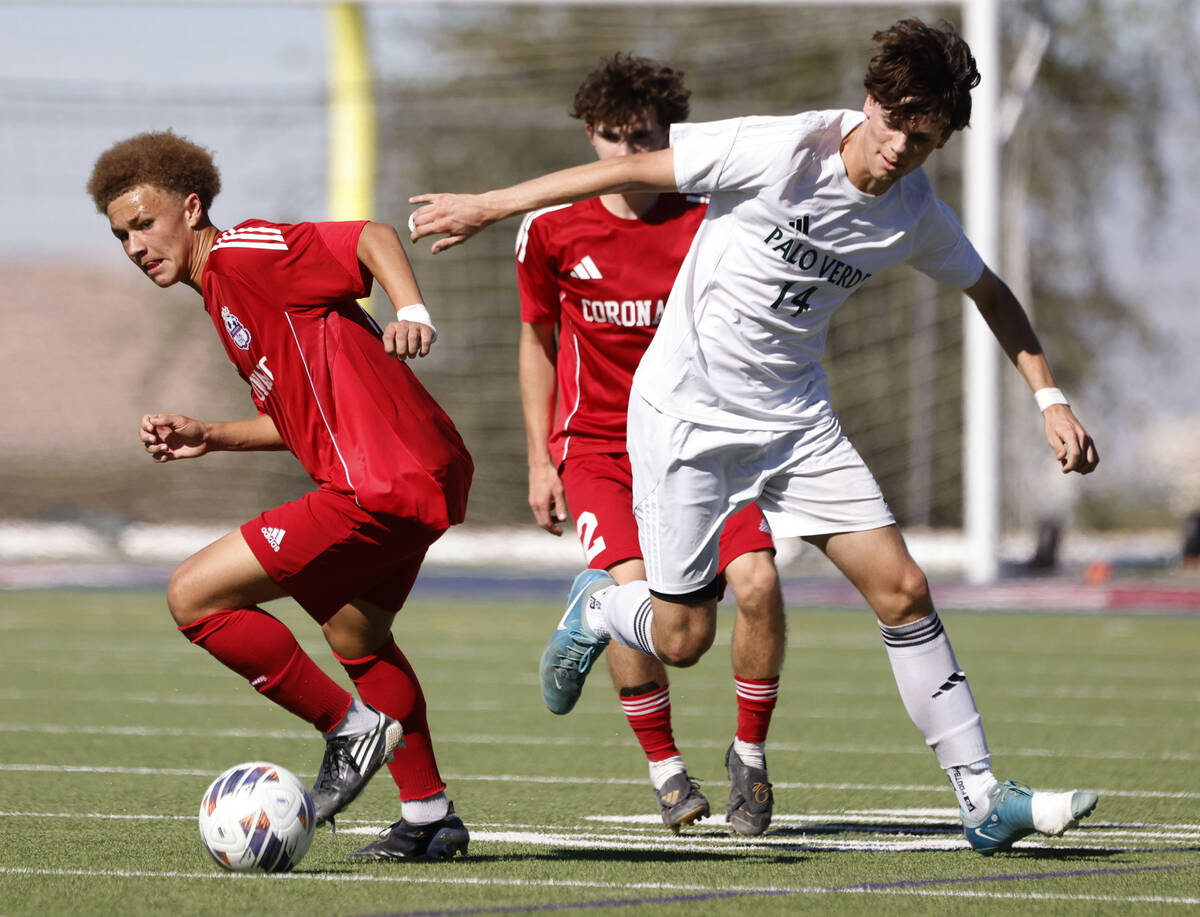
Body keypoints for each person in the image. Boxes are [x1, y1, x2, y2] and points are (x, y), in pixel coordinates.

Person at [408, 19, 1103, 855]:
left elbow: (990, 291)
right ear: (869, 104)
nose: (900, 154)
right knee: (681, 637)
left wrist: (1049, 397)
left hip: (797, 424)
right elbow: (628, 167)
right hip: (685, 420)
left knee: (904, 589)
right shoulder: (780, 150)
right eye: (893, 129)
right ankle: (598, 606)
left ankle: (983, 795)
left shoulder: (914, 212)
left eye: (924, 141)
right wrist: (490, 204)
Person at [87, 130, 472, 861]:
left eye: (145, 223)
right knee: (355, 635)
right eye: (121, 235)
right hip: (419, 470)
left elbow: (369, 236)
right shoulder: (225, 298)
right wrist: (210, 434)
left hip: (378, 481)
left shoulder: (241, 255)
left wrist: (412, 309)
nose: (136, 245)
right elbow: (300, 420)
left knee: (193, 596)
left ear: (191, 208)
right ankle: (429, 817)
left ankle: (348, 728)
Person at [517, 54, 786, 835]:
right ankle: (668, 774)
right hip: (601, 450)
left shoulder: (715, 213)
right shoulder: (551, 228)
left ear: (672, 135)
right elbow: (536, 340)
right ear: (588, 134)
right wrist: (541, 458)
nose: (625, 153)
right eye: (608, 137)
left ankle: (751, 759)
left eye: (642, 137)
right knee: (656, 608)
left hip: (708, 442)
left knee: (756, 587)